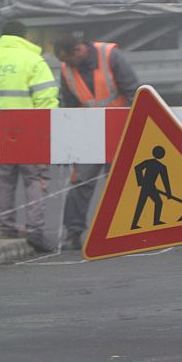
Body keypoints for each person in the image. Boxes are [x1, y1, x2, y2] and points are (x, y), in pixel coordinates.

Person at [54, 34, 141, 250]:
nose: (67, 66)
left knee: (121, 182)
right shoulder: (67, 69)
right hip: (88, 133)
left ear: (78, 49)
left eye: (69, 60)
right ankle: (73, 233)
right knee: (81, 181)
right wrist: (69, 140)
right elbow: (69, 106)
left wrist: (133, 127)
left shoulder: (110, 56)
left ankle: (129, 231)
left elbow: (133, 91)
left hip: (118, 129)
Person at [0, 21, 59, 252]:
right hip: (30, 127)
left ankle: (6, 227)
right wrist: (49, 130)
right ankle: (35, 230)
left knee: (3, 180)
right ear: (24, 36)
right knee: (35, 179)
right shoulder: (33, 60)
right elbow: (46, 98)